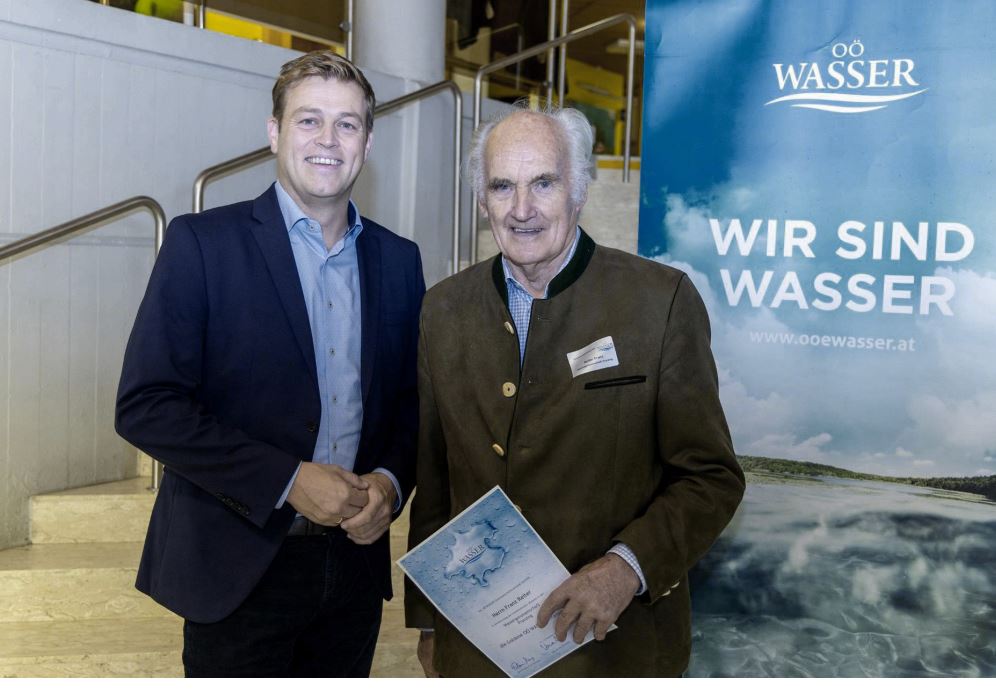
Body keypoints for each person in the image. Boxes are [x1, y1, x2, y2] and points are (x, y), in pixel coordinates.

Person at [405, 105, 745, 677]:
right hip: (479, 648)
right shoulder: (443, 309)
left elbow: (711, 477)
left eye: (544, 183)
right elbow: (436, 479)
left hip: (612, 648)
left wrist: (626, 568)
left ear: (580, 189)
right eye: (502, 186)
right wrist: (431, 621)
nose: (522, 209)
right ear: (482, 201)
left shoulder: (659, 302)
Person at [115, 50, 424, 677]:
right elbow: (147, 406)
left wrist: (390, 484)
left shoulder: (400, 260)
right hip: (236, 568)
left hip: (354, 569)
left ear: (367, 142)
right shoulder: (202, 244)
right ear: (274, 132)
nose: (328, 139)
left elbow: (410, 406)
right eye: (309, 120)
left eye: (347, 123)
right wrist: (288, 480)